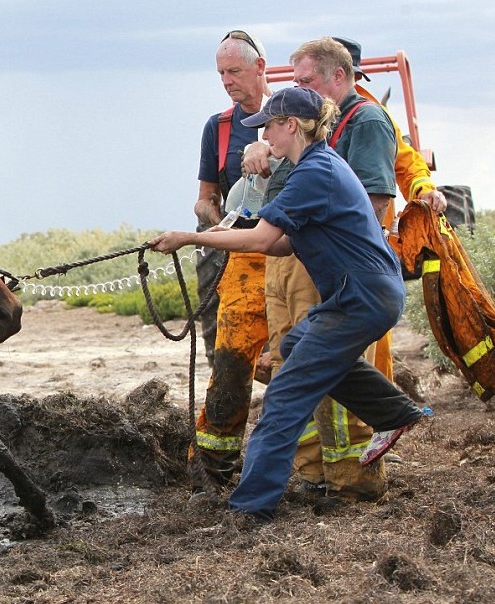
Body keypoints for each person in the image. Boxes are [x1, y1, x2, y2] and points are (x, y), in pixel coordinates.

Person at [149, 86, 424, 520]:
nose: (264, 138)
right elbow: (278, 246)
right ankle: (395, 411)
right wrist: (213, 235)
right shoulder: (312, 169)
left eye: (270, 128)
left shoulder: (315, 172)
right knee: (297, 347)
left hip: (362, 296)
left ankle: (250, 507)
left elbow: (261, 238)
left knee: (284, 396)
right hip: (359, 293)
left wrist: (190, 237)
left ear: (291, 125)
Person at [247, 37, 442, 501]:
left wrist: (337, 265)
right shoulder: (313, 145)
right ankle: (387, 417)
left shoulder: (366, 121)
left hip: (350, 280)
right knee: (294, 348)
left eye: (306, 81)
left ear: (340, 76)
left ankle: (311, 489)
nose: (302, 88)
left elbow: (372, 204)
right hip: (329, 272)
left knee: (292, 388)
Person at [188, 30, 272, 498]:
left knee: (294, 353)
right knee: (229, 355)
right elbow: (204, 198)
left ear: (261, 68)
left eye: (234, 71)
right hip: (234, 253)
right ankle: (217, 465)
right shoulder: (217, 128)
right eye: (220, 73)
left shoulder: (294, 114)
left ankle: (308, 455)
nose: (226, 81)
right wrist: (214, 222)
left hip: (287, 253)